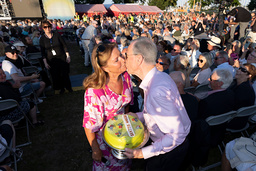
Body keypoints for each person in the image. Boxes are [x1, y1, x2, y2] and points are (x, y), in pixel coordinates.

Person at [123, 37, 191, 171]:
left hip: (170, 151)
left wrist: (142, 153)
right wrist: (138, 116)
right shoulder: (160, 77)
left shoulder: (156, 90)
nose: (124, 60)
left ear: (138, 59)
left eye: (126, 56)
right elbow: (156, 113)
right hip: (170, 146)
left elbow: (175, 135)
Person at [82, 43, 134, 170]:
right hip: (105, 142)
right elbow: (90, 126)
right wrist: (95, 150)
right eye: (117, 60)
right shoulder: (95, 91)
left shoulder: (125, 76)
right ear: (105, 68)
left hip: (123, 134)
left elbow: (127, 105)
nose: (123, 60)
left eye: (121, 55)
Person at [40, 20, 72, 94]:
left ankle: (68, 87)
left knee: (65, 73)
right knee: (56, 75)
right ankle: (60, 88)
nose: (47, 28)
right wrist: (45, 63)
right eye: (45, 27)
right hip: (51, 59)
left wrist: (68, 56)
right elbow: (42, 52)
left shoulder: (57, 35)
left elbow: (64, 46)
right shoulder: (42, 39)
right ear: (43, 28)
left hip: (61, 56)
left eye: (49, 27)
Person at [227, 64, 256, 130]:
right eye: (239, 68)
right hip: (241, 121)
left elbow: (229, 106)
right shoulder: (241, 85)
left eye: (243, 70)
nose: (238, 71)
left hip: (233, 122)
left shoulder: (243, 91)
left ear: (249, 76)